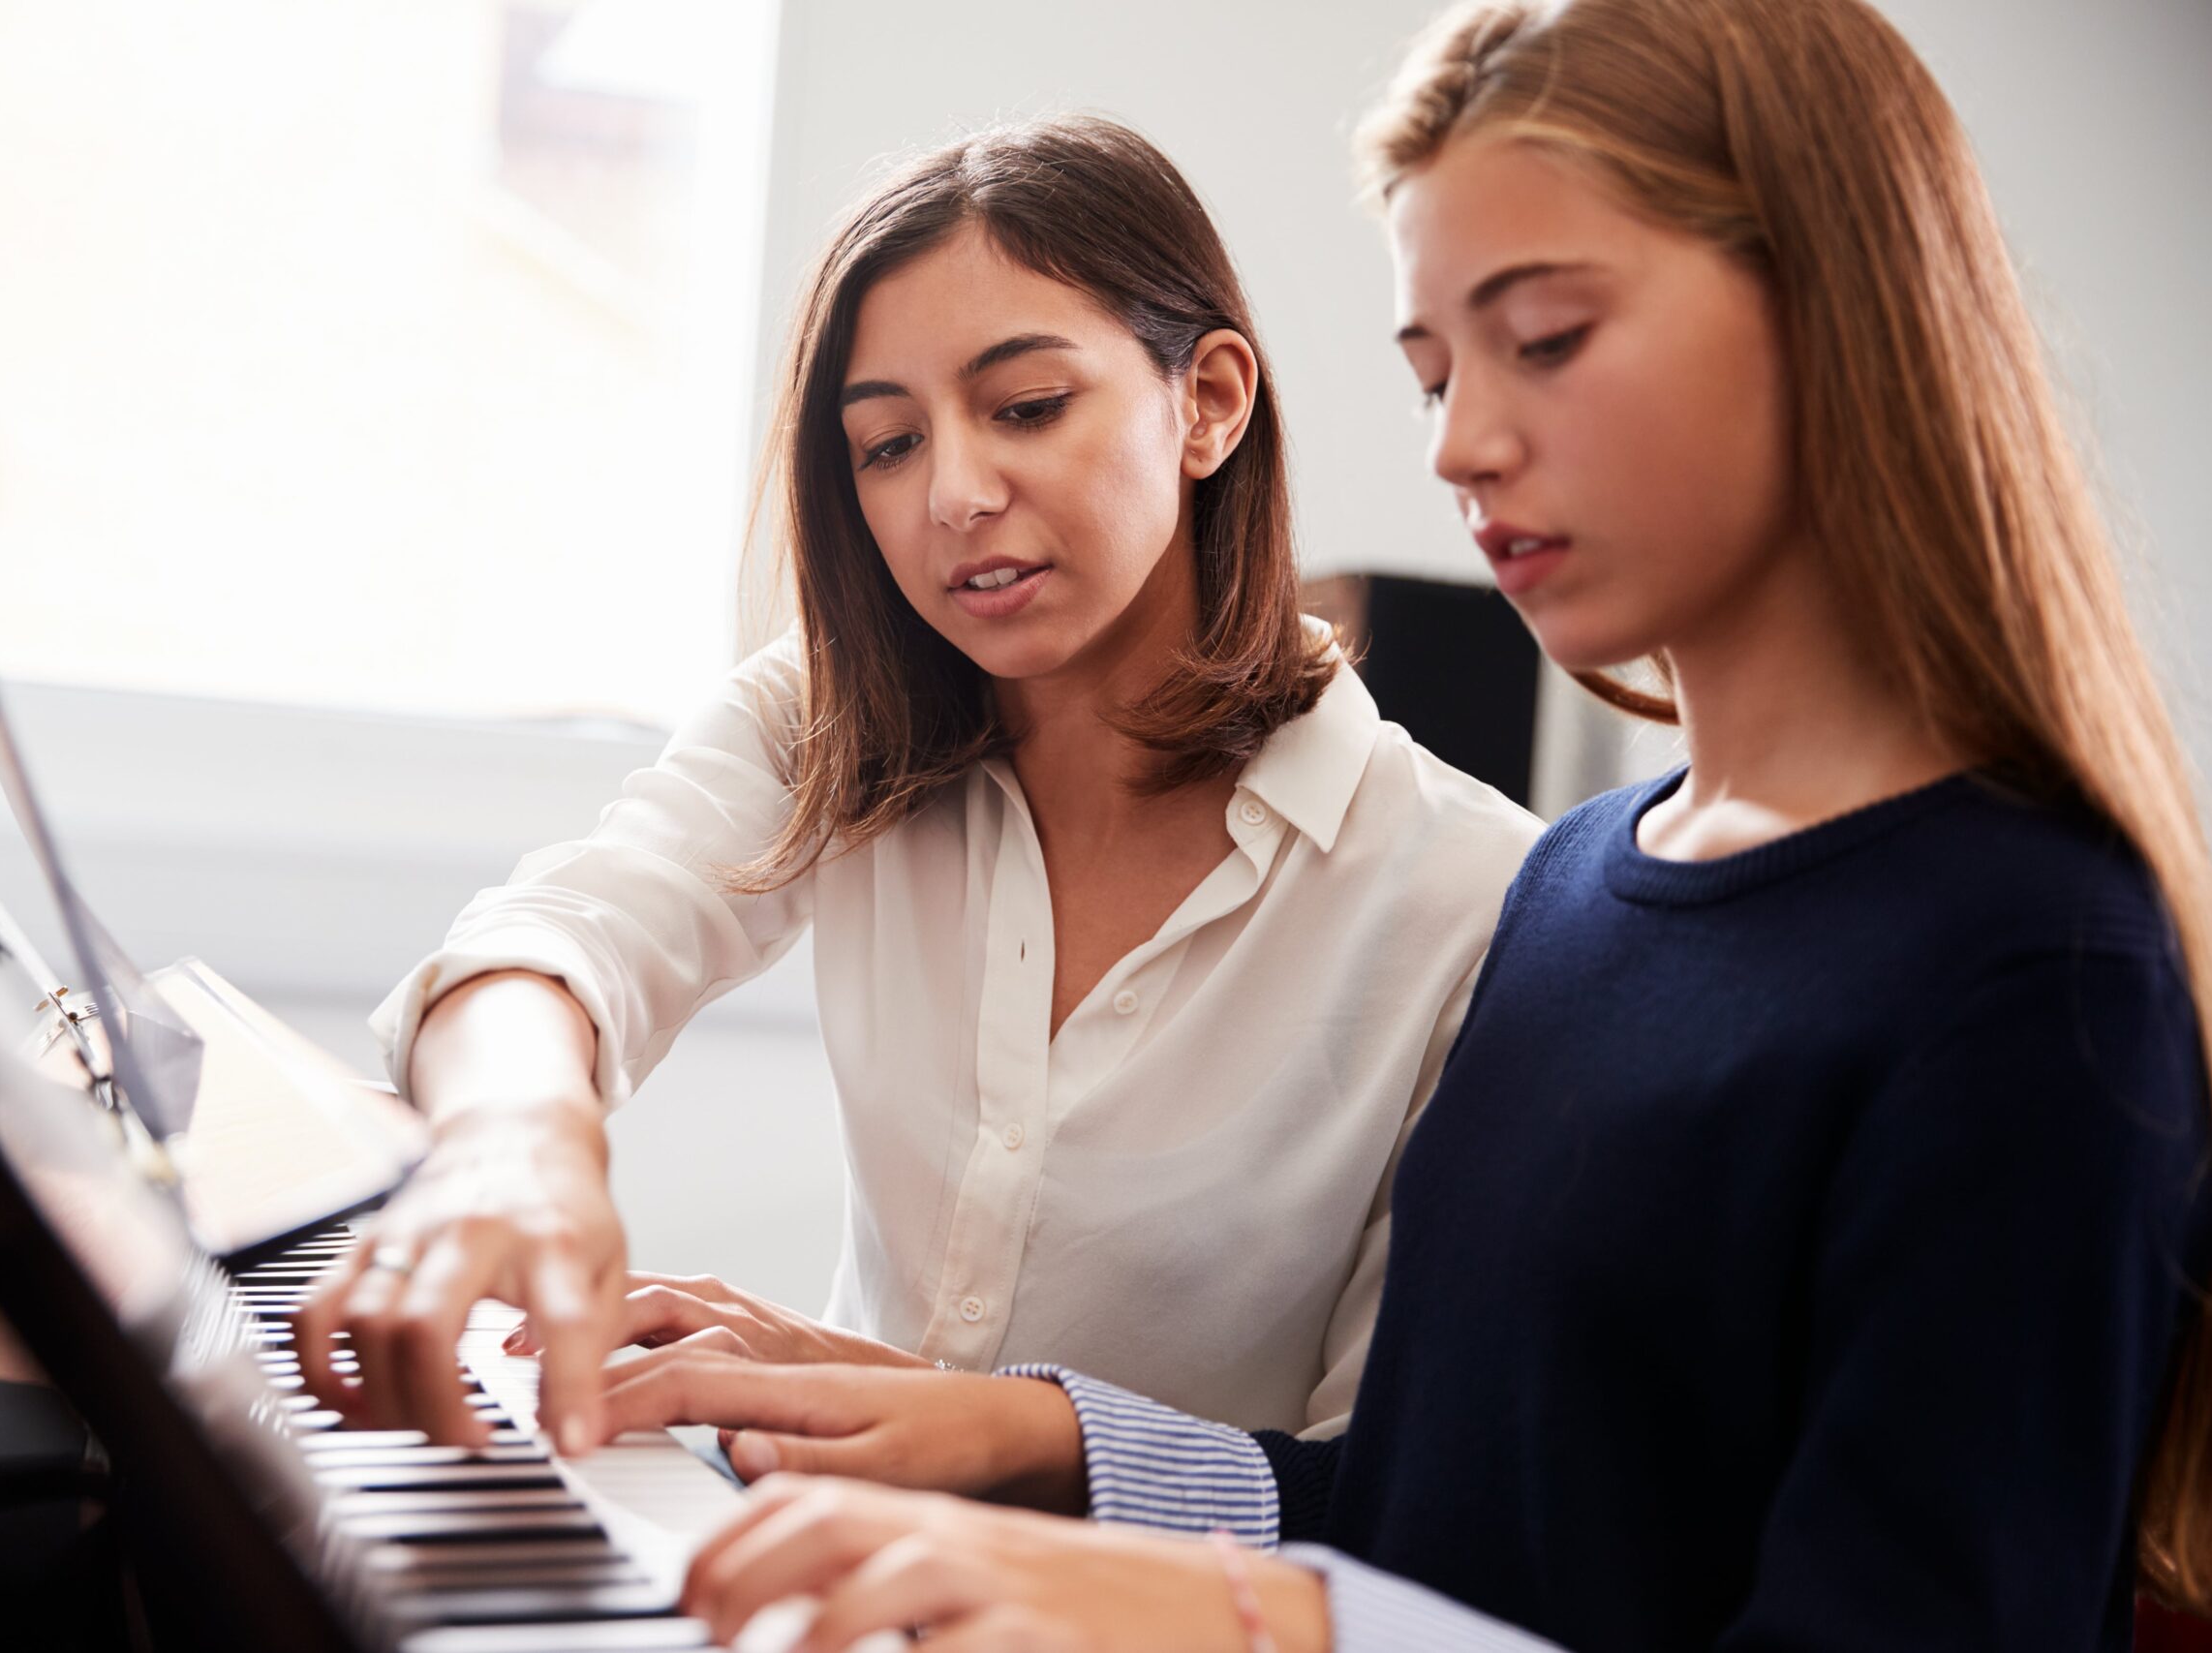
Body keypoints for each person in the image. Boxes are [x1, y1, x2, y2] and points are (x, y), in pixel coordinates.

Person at [594, 0, 2212, 1647]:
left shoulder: (2033, 965)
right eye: (1433, 369)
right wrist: (1022, 1438)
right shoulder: (1587, 890)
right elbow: (1427, 1524)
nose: (1457, 445)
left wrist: (1247, 1621)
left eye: (1549, 339)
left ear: (1835, 314)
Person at [290, 115, 1540, 1456]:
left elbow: (1390, 1497)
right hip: (804, 1555)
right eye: (886, 444)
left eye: (1028, 408)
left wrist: (969, 1428)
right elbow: (566, 937)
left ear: (1211, 403)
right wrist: (513, 1141)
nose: (951, 493)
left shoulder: (1471, 900)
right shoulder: (836, 724)